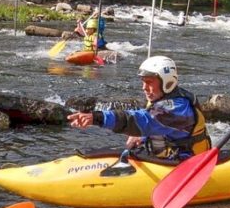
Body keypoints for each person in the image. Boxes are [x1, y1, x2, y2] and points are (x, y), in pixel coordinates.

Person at [67, 55, 211, 162]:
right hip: (165, 156)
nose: (144, 88)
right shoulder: (163, 98)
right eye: (143, 82)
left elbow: (141, 120)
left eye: (149, 82)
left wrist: (97, 117)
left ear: (167, 82)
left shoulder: (178, 109)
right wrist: (141, 136)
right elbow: (157, 127)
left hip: (186, 161)